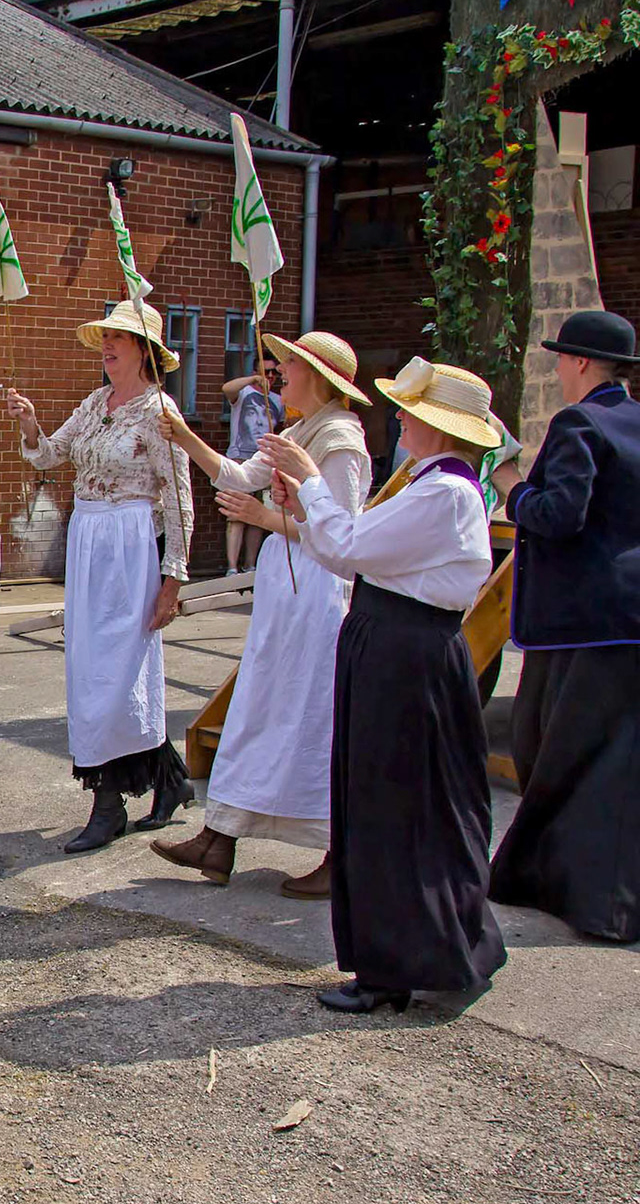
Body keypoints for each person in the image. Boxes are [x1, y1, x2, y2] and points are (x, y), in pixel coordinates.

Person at [260, 358, 507, 1012]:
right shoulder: (429, 486)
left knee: (389, 803)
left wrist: (311, 485)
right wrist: (308, 509)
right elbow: (349, 543)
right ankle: (412, 953)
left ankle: (391, 967)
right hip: (396, 643)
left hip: (405, 653)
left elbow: (348, 547)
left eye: (411, 412)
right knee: (398, 801)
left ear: (436, 426)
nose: (398, 418)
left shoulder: (443, 493)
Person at [150, 331, 372, 895]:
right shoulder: (296, 430)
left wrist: (265, 517)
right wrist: (185, 439)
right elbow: (236, 475)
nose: (277, 374)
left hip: (317, 591)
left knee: (310, 714)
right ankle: (219, 834)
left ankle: (336, 849)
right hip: (283, 583)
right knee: (256, 706)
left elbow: (340, 532)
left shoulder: (340, 439)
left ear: (317, 378)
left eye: (289, 367)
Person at [5, 301, 194, 853]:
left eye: (121, 337)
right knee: (95, 668)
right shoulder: (95, 402)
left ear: (145, 350)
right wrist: (28, 420)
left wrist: (173, 579)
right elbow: (47, 456)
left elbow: (180, 499)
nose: (109, 346)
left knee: (117, 669)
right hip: (89, 541)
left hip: (130, 543)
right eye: (106, 337)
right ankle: (170, 779)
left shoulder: (161, 413)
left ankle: (107, 804)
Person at [489, 309, 640, 944]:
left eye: (559, 358)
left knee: (553, 754)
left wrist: (511, 485)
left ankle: (579, 896)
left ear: (579, 362)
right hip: (625, 618)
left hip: (582, 623)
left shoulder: (579, 421)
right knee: (612, 764)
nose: (556, 368)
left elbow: (559, 514)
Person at [219, 352, 284, 575]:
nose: (271, 376)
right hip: (240, 458)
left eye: (275, 372)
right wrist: (253, 380)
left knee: (257, 516)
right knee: (235, 515)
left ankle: (250, 565)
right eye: (266, 371)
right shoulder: (244, 393)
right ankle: (232, 566)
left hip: (264, 461)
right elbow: (227, 389)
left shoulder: (277, 400)